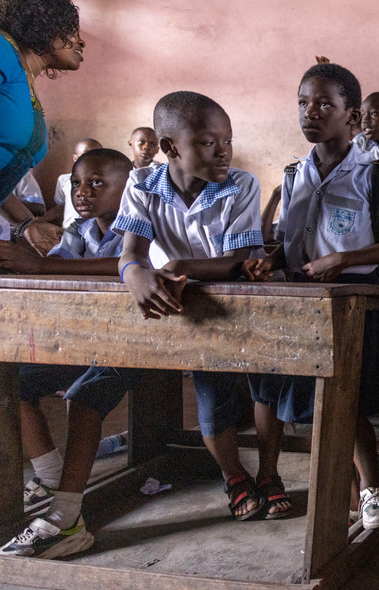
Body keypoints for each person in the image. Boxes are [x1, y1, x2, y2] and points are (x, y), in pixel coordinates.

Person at [242, 63, 379, 529]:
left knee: (348, 399)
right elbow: (292, 244)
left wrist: (342, 258)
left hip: (355, 302)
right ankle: (347, 485)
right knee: (308, 399)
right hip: (303, 303)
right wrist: (271, 261)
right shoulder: (295, 174)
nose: (309, 113)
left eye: (323, 104)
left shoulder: (376, 175)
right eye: (302, 103)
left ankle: (374, 490)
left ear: (352, 116)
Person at [115, 91, 266, 520]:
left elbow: (239, 261)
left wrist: (177, 264)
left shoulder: (241, 184)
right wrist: (135, 275)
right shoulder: (142, 183)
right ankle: (234, 476)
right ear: (169, 148)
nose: (224, 152)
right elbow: (131, 252)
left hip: (247, 304)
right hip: (193, 309)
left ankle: (269, 474)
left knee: (266, 393)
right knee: (211, 396)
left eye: (228, 140)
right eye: (207, 142)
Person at [0, 149, 148, 559]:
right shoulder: (79, 230)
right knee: (15, 384)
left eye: (97, 183)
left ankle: (67, 520)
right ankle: (49, 477)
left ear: (129, 187)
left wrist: (41, 267)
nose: (82, 192)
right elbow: (56, 268)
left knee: (82, 398)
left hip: (137, 341)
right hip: (86, 340)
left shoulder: (140, 227)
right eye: (78, 183)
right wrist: (24, 266)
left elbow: (125, 264)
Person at [0, 0, 83, 254]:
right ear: (43, 26)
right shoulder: (2, 50)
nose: (81, 42)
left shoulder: (22, 76)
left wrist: (27, 224)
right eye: (72, 31)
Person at [45, 138, 102, 227]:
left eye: (96, 154)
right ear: (75, 158)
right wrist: (39, 220)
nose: (91, 158)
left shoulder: (106, 182)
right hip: (70, 233)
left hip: (95, 234)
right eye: (85, 154)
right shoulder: (64, 180)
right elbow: (59, 209)